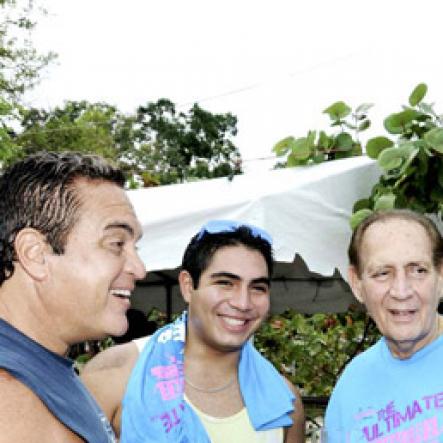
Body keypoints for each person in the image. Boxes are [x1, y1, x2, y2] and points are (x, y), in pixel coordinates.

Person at [82, 220, 305, 442]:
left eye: (257, 288)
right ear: (188, 286)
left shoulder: (284, 402)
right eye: (225, 283)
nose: (243, 303)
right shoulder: (116, 375)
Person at [0, 152, 146, 442]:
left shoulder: (40, 368)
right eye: (116, 243)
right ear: (35, 254)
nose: (139, 270)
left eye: (135, 248)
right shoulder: (10, 399)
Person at [324, 209, 443, 442]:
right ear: (357, 284)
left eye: (418, 270)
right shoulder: (351, 385)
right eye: (382, 273)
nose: (401, 291)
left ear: (441, 276)